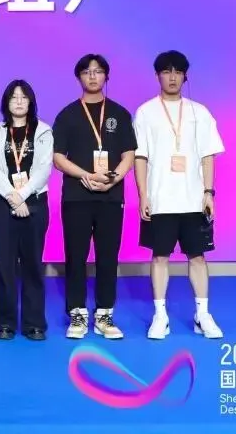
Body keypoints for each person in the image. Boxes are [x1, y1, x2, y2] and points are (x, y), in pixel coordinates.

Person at [134, 50, 225, 340]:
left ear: (185, 76)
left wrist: (208, 192)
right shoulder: (146, 112)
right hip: (160, 199)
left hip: (193, 200)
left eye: (178, 72)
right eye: (166, 71)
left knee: (197, 257)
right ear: (157, 76)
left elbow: (208, 155)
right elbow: (140, 157)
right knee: (159, 256)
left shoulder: (200, 112)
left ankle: (202, 314)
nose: (172, 77)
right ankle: (160, 315)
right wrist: (143, 195)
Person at [52, 54, 137, 340]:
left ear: (106, 77)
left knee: (107, 256)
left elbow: (128, 155)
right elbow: (58, 158)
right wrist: (85, 175)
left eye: (98, 71)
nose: (92, 76)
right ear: (79, 77)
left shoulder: (119, 114)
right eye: (87, 72)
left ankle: (104, 314)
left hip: (110, 196)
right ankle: (77, 313)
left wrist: (113, 177)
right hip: (77, 196)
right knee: (75, 256)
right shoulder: (67, 114)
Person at [0, 80, 54, 341]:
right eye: (13, 97)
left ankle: (34, 323)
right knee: (4, 264)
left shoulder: (43, 131)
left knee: (33, 264)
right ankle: (5, 322)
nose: (18, 101)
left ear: (31, 101)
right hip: (3, 203)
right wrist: (14, 199)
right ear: (6, 102)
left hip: (35, 202)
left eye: (23, 97)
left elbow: (44, 169)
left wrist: (23, 196)